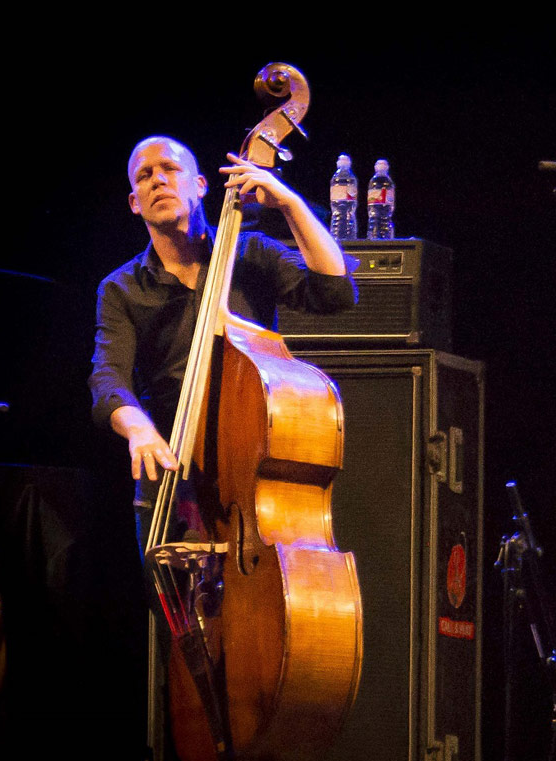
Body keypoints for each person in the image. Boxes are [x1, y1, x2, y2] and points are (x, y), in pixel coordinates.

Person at [88, 136, 356, 537]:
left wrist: (289, 204)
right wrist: (138, 428)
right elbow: (108, 377)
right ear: (134, 202)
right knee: (171, 600)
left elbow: (335, 293)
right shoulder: (121, 288)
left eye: (170, 169)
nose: (158, 181)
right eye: (145, 176)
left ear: (200, 185)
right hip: (174, 476)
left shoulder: (251, 254)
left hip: (255, 467)